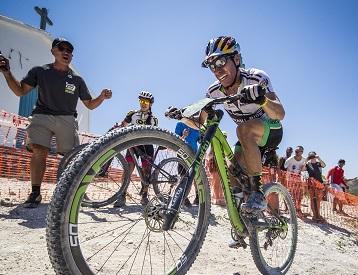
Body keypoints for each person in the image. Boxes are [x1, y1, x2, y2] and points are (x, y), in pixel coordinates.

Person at [168, 36, 285, 212]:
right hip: (246, 138)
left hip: (270, 130)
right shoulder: (213, 91)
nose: (217, 69)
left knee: (243, 129)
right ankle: (242, 227)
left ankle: (257, 192)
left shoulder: (256, 77)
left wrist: (262, 100)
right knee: (232, 173)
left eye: (221, 61)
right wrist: (182, 116)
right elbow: (199, 121)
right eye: (212, 66)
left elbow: (280, 113)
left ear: (236, 59)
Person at [0, 38, 112, 208]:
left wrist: (101, 97)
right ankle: (35, 193)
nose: (66, 52)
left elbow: (90, 105)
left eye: (69, 50)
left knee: (72, 157)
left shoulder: (77, 80)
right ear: (53, 51)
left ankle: (76, 194)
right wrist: (6, 72)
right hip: (42, 116)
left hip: (67, 118)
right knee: (39, 151)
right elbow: (20, 91)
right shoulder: (40, 71)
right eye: (61, 48)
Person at [112, 91, 158, 207]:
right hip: (132, 145)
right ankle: (122, 195)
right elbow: (123, 125)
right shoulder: (132, 114)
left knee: (146, 172)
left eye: (146, 102)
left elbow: (156, 134)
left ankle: (144, 196)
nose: (143, 103)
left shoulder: (153, 119)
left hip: (147, 147)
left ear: (150, 104)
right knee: (128, 169)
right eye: (141, 101)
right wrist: (118, 126)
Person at [175, 118, 200, 206]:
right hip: (182, 153)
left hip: (194, 154)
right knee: (183, 176)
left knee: (196, 176)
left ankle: (198, 197)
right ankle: (183, 198)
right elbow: (174, 141)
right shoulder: (180, 124)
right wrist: (184, 136)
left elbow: (199, 140)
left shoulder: (197, 126)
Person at [304, 151, 326, 221]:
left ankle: (318, 214)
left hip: (319, 183)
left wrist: (318, 158)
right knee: (312, 200)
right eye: (311, 156)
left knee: (318, 200)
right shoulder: (308, 164)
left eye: (313, 156)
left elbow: (324, 165)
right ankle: (314, 215)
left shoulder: (318, 163)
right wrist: (306, 160)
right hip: (311, 184)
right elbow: (302, 169)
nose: (312, 157)